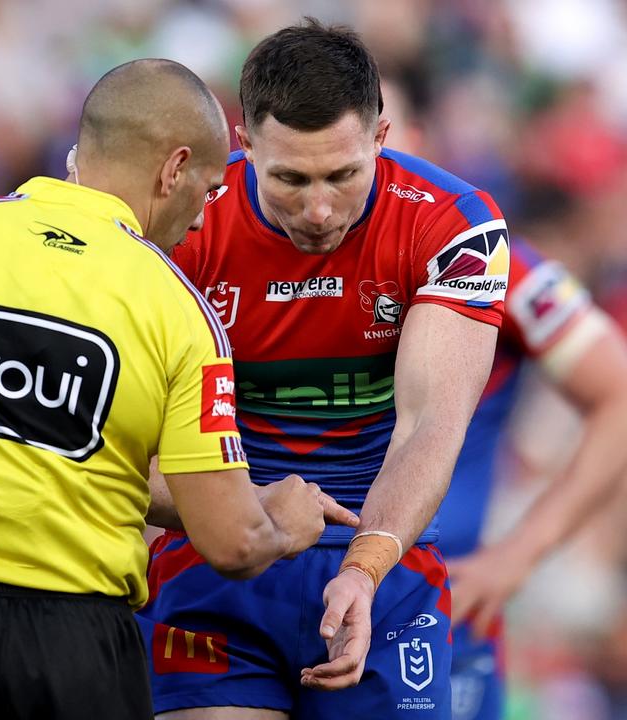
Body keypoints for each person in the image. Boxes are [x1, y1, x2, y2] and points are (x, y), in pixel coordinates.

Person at [0, 59, 355, 720]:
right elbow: (232, 544)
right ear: (173, 169)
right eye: (209, 188)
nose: (200, 220)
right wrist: (284, 526)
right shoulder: (177, 310)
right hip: (77, 651)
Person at [138, 19, 508, 718]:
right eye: (289, 179)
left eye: (343, 175)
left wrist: (364, 570)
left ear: (381, 138)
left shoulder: (453, 225)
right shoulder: (184, 225)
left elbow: (430, 426)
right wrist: (238, 517)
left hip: (384, 564)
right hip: (220, 558)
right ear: (243, 146)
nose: (318, 209)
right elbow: (125, 440)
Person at [379, 81, 627, 720]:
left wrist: (519, 556)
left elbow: (618, 393)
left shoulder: (497, 268)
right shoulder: (237, 259)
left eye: (376, 142)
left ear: (414, 148)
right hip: (272, 604)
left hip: (439, 608)